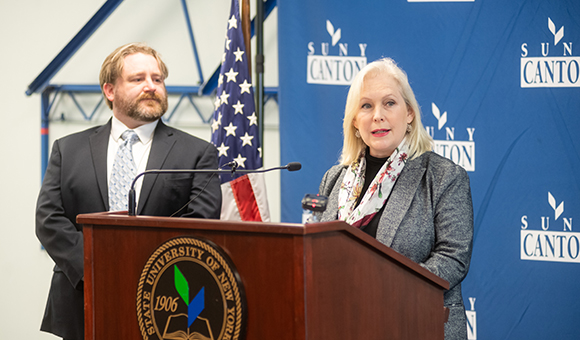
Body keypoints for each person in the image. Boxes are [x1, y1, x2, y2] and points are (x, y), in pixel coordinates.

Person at [35, 42, 222, 340]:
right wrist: (96, 270)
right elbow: (49, 220)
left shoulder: (197, 154)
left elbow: (200, 224)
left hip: (165, 304)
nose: (151, 86)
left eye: (157, 79)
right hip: (81, 302)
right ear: (110, 91)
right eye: (138, 79)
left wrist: (142, 274)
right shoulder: (68, 149)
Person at [317, 58, 473, 339]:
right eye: (366, 106)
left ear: (410, 113)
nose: (378, 115)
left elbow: (454, 258)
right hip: (344, 324)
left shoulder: (443, 177)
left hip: (416, 324)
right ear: (354, 120)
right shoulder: (334, 179)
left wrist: (387, 287)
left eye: (389, 103)